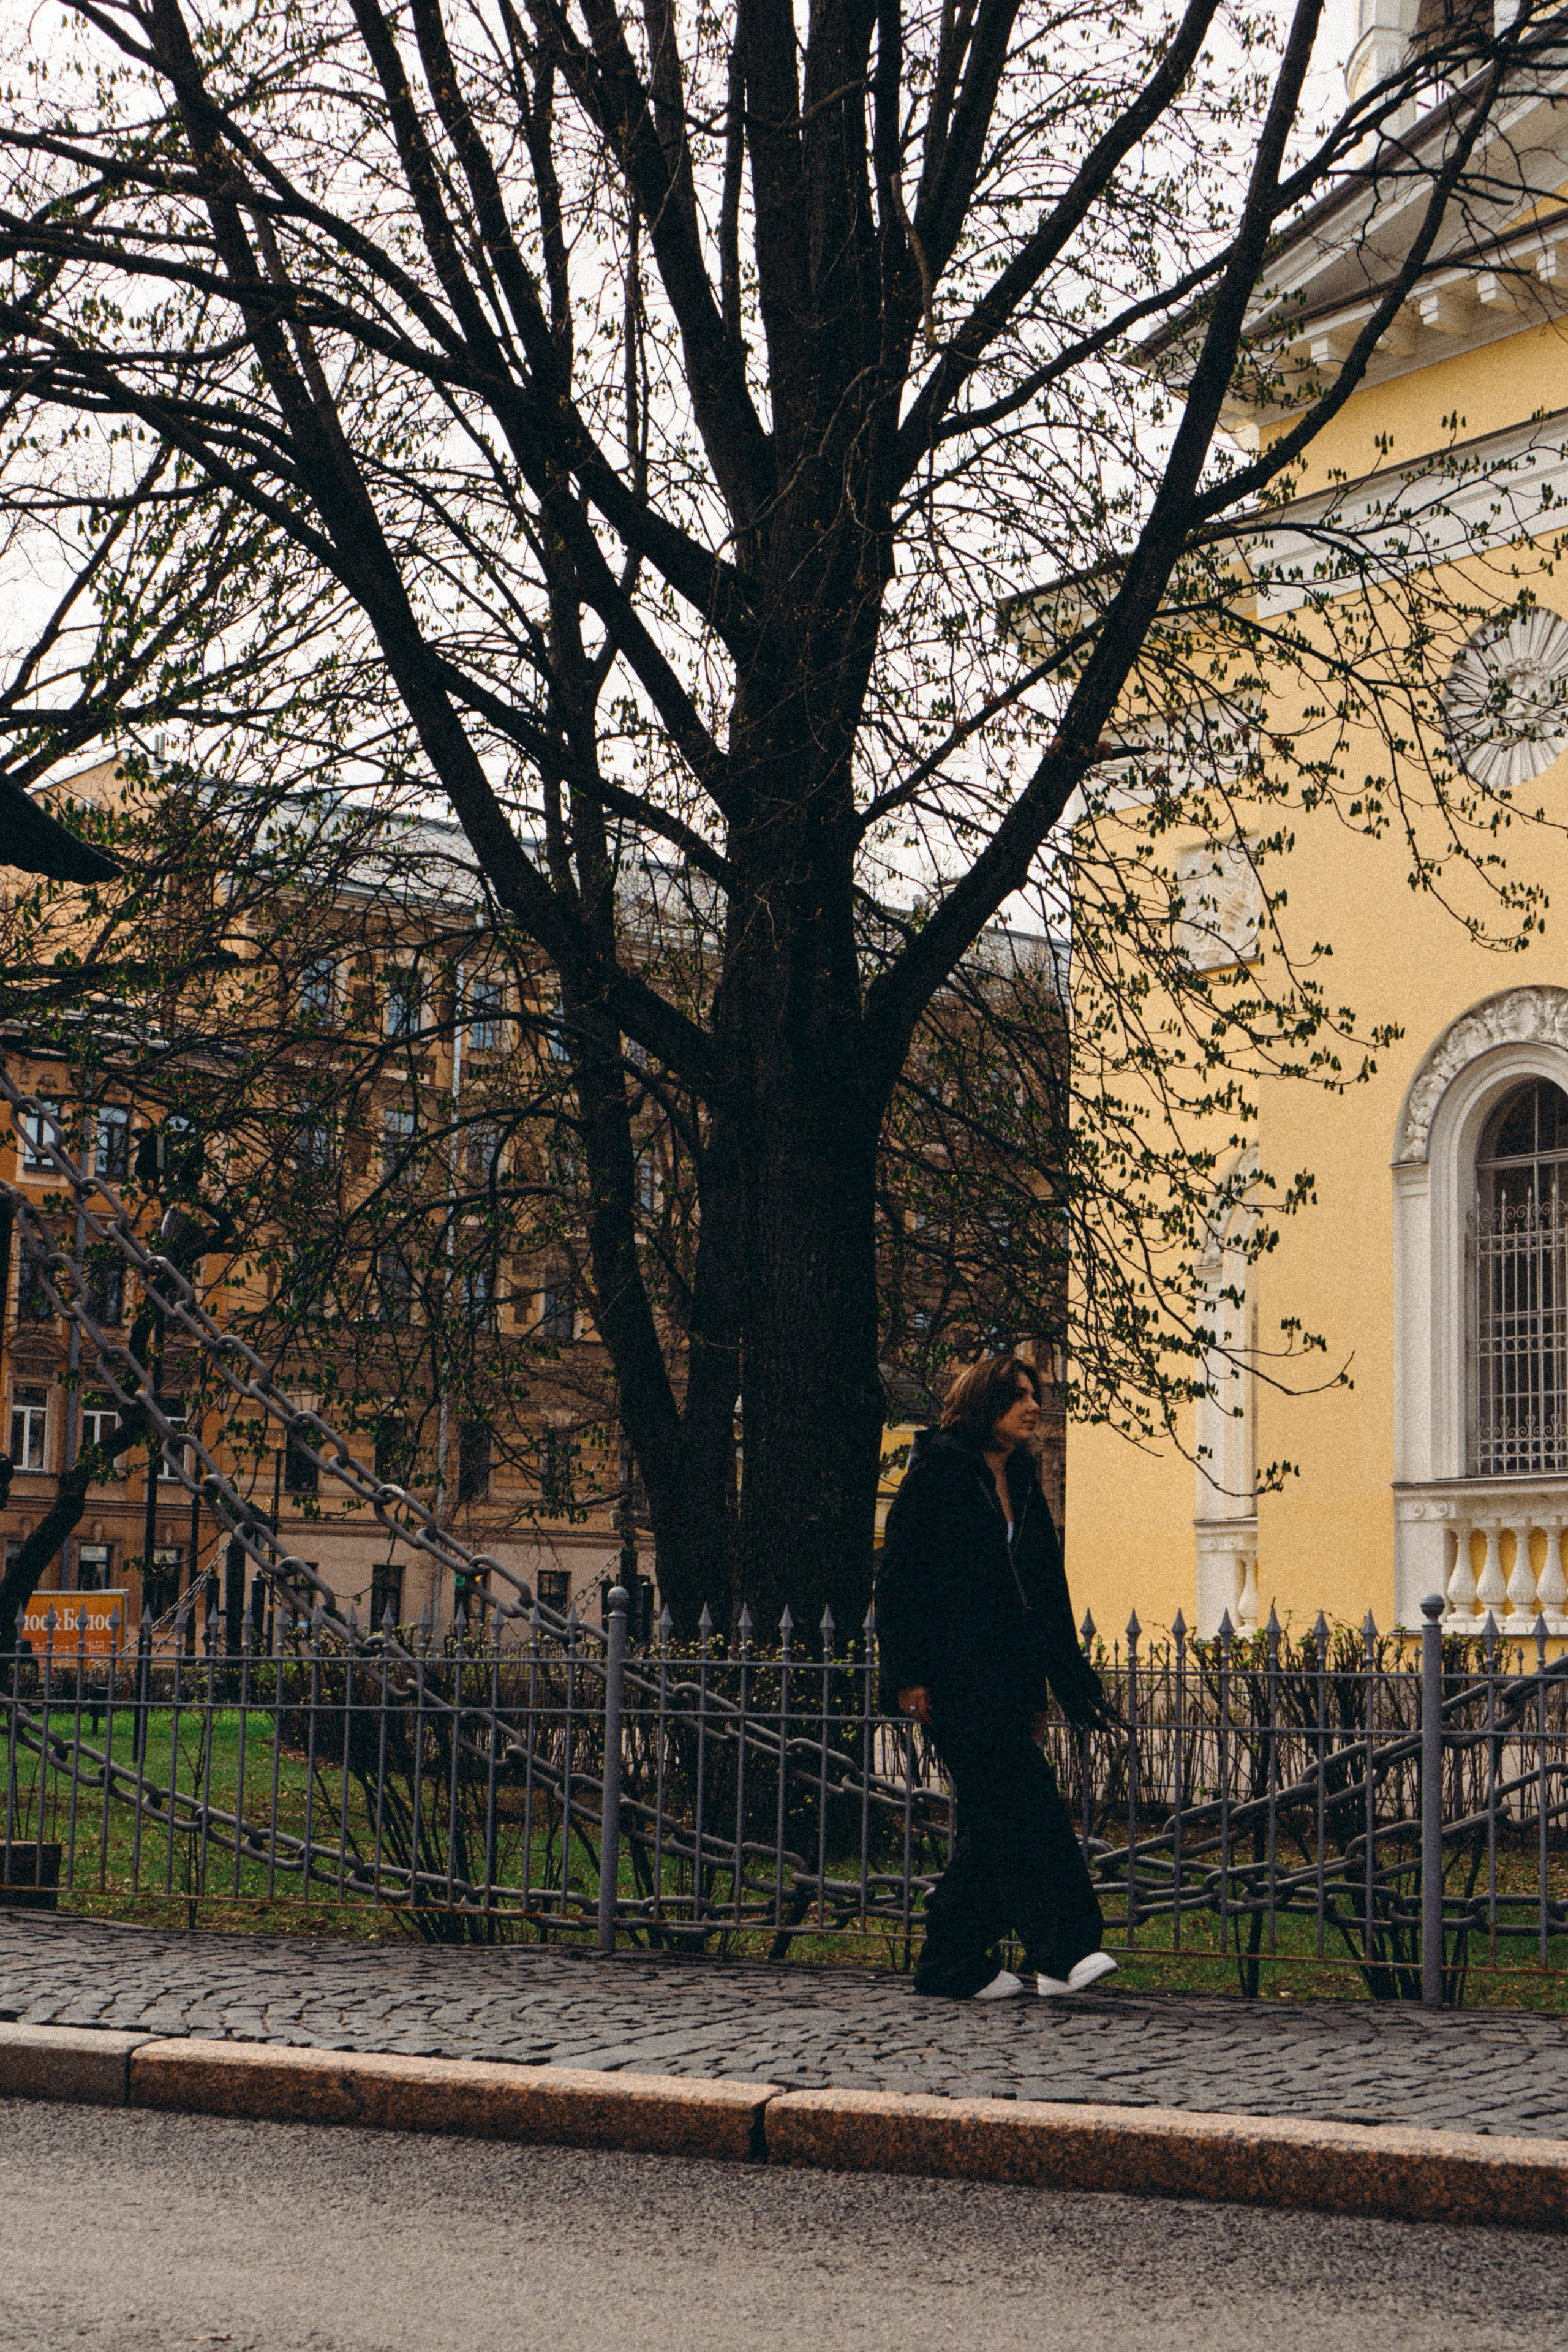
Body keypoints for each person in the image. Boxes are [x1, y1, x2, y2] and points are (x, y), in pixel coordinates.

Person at [876, 1353, 1121, 2000]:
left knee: (993, 1823)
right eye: (1017, 1396)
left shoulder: (1022, 1476)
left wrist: (1050, 1688)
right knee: (1028, 1810)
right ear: (984, 1402)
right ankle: (1064, 1954)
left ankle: (952, 1964)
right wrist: (908, 1676)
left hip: (1007, 1682)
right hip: (952, 1682)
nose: (1033, 1405)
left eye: (1034, 1394)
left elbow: (1042, 1592)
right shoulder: (938, 1472)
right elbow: (900, 1579)